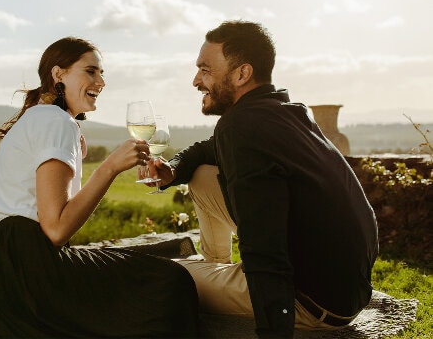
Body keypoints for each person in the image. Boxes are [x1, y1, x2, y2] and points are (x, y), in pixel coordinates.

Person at [0, 36, 200, 338]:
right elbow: (55, 230)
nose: (101, 81)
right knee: (171, 280)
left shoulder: (37, 119)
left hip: (1, 300)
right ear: (58, 75)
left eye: (101, 73)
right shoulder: (56, 122)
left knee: (144, 267)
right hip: (34, 286)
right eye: (91, 71)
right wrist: (110, 168)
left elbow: (1, 220)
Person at [148, 21, 379, 338]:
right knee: (201, 175)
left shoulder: (241, 127)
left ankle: (217, 280)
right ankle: (215, 265)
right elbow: (206, 150)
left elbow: (263, 245)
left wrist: (274, 329)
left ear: (241, 74)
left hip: (308, 302)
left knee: (159, 274)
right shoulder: (284, 111)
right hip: (342, 288)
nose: (196, 81)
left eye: (205, 70)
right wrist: (173, 168)